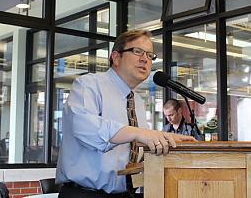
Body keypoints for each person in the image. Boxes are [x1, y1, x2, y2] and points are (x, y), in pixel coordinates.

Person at [56, 30, 196, 198]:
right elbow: (87, 129)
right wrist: (140, 133)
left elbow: (138, 149)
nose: (145, 59)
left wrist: (168, 141)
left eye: (150, 55)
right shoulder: (89, 85)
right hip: (85, 194)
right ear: (116, 57)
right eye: (137, 51)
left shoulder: (137, 100)